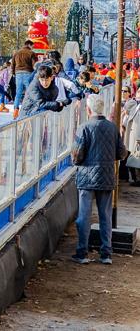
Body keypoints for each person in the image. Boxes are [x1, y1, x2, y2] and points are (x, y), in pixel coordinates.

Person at [71, 94, 127, 265]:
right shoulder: (112, 128)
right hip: (107, 176)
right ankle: (106, 254)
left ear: (88, 109)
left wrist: (77, 161)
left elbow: (76, 155)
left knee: (84, 216)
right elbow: (122, 153)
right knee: (105, 216)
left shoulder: (84, 127)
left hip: (87, 177)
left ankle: (82, 253)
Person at [12, 40, 39, 119]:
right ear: (29, 45)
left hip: (18, 74)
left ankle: (15, 110)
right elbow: (35, 65)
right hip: (28, 73)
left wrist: (14, 73)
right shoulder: (32, 53)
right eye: (32, 46)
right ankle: (28, 109)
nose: (32, 48)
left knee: (18, 93)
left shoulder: (16, 53)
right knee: (30, 92)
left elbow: (13, 64)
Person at [121, 88, 140, 186]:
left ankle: (137, 179)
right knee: (132, 157)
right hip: (132, 136)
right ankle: (135, 178)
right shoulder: (136, 105)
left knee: (135, 157)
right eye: (138, 91)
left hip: (136, 137)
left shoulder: (134, 104)